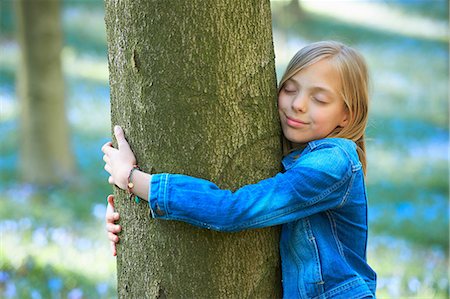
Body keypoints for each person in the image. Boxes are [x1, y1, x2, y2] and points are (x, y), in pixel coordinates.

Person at [101, 41, 377, 298]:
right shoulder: (296, 152)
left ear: (347, 115)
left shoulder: (332, 164)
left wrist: (133, 179)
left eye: (319, 99)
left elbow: (234, 210)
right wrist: (130, 212)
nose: (298, 104)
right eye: (290, 89)